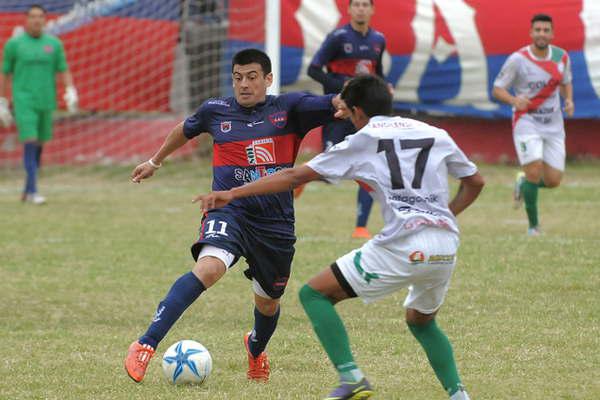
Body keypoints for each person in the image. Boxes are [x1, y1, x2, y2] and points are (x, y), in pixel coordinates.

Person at [196, 75, 484, 399]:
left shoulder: (364, 139)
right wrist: (440, 217)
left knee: (314, 295)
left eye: (347, 110)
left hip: (404, 245)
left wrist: (233, 193)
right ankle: (460, 396)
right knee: (421, 321)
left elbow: (293, 176)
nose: (344, 115)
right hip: (445, 247)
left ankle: (352, 378)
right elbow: (476, 182)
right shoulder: (435, 133)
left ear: (358, 112)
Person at [124, 48, 346, 383]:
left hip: (275, 223)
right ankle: (145, 343)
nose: (244, 84)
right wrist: (155, 162)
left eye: (252, 77)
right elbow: (184, 129)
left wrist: (354, 98)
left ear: (268, 79)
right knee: (209, 268)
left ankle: (256, 348)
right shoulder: (216, 111)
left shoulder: (291, 108)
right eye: (238, 77)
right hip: (230, 210)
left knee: (269, 302)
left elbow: (335, 103)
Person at [305, 0, 387, 239]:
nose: (361, 9)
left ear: (372, 9)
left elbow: (377, 73)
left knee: (369, 168)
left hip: (363, 115)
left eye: (365, 4)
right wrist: (343, 88)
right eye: (356, 4)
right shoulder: (338, 37)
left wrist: (384, 86)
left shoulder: (378, 39)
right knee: (331, 171)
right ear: (349, 9)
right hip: (339, 111)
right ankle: (301, 178)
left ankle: (361, 226)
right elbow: (314, 70)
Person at [492, 13, 573, 236]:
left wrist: (569, 99)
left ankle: (523, 182)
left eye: (546, 30)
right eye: (538, 30)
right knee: (534, 170)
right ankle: (533, 227)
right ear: (531, 33)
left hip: (554, 125)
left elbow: (566, 81)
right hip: (526, 122)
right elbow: (498, 88)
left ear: (552, 33)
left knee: (553, 180)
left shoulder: (562, 56)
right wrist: (514, 100)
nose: (542, 34)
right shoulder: (518, 59)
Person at [0, 4, 78, 204]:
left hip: (46, 101)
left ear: (45, 20)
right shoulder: (14, 44)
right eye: (33, 17)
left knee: (39, 146)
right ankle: (34, 191)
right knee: (30, 142)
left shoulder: (54, 44)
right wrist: (2, 101)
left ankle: (28, 190)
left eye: (40, 17)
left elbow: (63, 69)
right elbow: (5, 73)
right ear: (26, 20)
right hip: (23, 101)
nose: (37, 20)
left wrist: (70, 90)